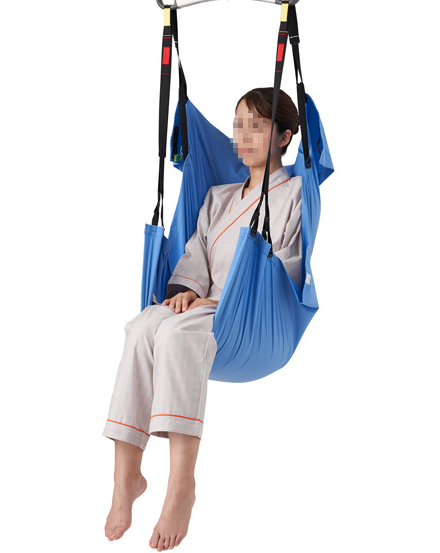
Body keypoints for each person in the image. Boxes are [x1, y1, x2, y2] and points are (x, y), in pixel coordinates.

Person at [103, 87, 304, 551]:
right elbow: (195, 255)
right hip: (206, 306)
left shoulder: (294, 194)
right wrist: (189, 292)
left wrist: (214, 302)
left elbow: (282, 267)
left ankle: (181, 485)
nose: (243, 135)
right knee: (143, 325)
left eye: (257, 126)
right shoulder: (218, 197)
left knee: (176, 333)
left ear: (283, 137)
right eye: (238, 125)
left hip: (249, 312)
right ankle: (127, 475)